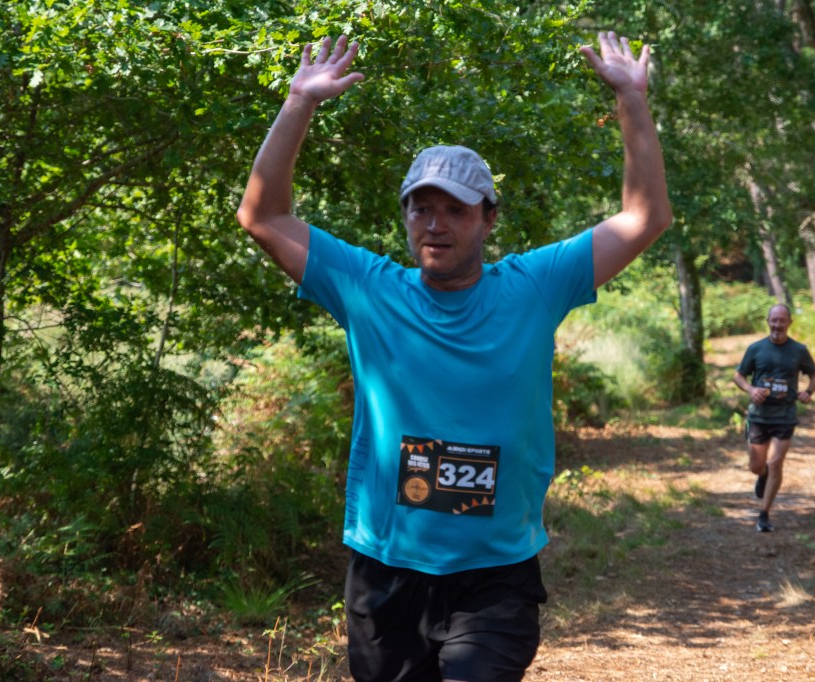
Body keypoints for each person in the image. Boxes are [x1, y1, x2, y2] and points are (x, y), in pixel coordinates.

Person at [236, 30, 671, 682]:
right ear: (406, 216)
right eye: (421, 208)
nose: (435, 223)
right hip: (387, 572)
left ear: (488, 219)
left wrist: (632, 100)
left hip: (494, 576)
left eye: (455, 210)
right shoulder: (368, 290)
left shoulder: (534, 286)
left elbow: (645, 218)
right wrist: (299, 101)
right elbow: (262, 217)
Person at [733, 303, 815, 533]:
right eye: (774, 320)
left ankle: (764, 514)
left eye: (782, 320)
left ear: (789, 323)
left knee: (775, 462)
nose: (777, 325)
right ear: (768, 322)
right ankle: (762, 476)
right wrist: (751, 390)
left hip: (785, 414)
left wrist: (808, 392)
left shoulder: (799, 350)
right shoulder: (756, 348)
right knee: (756, 466)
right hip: (759, 415)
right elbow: (738, 376)